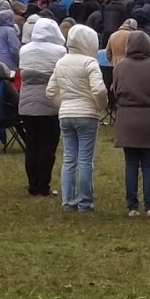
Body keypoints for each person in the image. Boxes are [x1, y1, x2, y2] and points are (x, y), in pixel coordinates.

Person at [47, 24, 108, 213]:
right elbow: (98, 90)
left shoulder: (61, 62)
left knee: (69, 158)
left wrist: (64, 104)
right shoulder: (90, 63)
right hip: (87, 115)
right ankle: (85, 202)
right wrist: (100, 106)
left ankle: (68, 201)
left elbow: (50, 91)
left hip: (66, 114)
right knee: (85, 160)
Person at [110, 29, 150, 217]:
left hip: (127, 117)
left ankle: (132, 206)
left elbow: (115, 91)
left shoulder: (120, 67)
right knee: (149, 164)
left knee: (131, 163)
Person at [19, 18, 66, 197]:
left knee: (32, 145)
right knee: (47, 146)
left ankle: (32, 183)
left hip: (27, 103)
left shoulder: (25, 50)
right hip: (49, 102)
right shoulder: (59, 51)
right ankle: (43, 184)